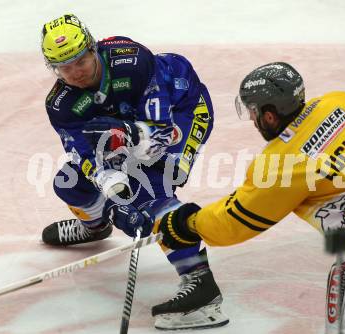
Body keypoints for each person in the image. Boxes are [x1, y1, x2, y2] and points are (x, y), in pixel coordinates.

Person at [156, 62, 345, 333]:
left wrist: (187, 223)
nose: (253, 120)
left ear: (269, 115)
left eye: (253, 112)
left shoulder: (282, 161)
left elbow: (236, 221)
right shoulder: (341, 101)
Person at [40, 14, 229, 330]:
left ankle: (201, 285)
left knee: (154, 191)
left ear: (92, 48)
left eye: (79, 60)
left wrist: (125, 143)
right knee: (69, 183)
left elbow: (162, 135)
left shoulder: (132, 61)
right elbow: (85, 154)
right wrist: (113, 197)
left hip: (182, 111)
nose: (74, 72)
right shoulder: (61, 104)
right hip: (124, 125)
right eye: (63, 67)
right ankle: (95, 227)